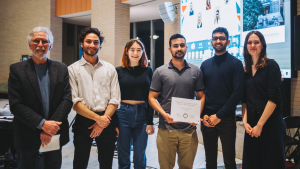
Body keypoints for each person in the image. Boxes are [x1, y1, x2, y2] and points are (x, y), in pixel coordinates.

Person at [8, 27, 73, 169]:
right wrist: (42, 124)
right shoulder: (17, 70)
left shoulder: (61, 68)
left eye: (44, 41)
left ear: (50, 45)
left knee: (52, 165)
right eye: (36, 41)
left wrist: (50, 128)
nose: (40, 45)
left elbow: (67, 99)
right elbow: (16, 104)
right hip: (27, 132)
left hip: (54, 133)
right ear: (29, 45)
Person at [149, 33, 205, 169]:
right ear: (170, 49)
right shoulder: (160, 72)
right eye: (175, 46)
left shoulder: (196, 71)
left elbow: (201, 96)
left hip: (189, 131)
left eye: (181, 45)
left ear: (186, 47)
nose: (179, 48)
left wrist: (196, 115)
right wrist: (163, 114)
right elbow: (151, 97)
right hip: (166, 130)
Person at [68, 27, 120, 169]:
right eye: (88, 41)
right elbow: (75, 102)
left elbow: (115, 100)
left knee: (106, 163)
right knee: (80, 162)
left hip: (107, 119)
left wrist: (102, 120)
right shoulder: (72, 69)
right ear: (81, 44)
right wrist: (98, 120)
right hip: (84, 120)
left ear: (99, 44)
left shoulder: (110, 69)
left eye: (96, 42)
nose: (92, 45)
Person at [200, 27, 244, 169]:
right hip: (207, 118)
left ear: (228, 41)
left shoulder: (236, 64)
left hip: (226, 119)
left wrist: (219, 115)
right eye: (215, 38)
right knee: (210, 160)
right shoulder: (205, 65)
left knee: (229, 161)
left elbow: (237, 93)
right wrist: (203, 115)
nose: (218, 40)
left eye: (222, 38)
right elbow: (201, 93)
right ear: (211, 42)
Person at [242, 31, 286, 169]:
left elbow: (274, 98)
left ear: (262, 45)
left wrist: (260, 125)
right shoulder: (246, 71)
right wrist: (244, 122)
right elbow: (244, 99)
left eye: (256, 42)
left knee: (271, 163)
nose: (253, 45)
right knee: (251, 163)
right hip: (251, 126)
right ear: (246, 46)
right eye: (249, 42)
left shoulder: (271, 66)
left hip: (270, 124)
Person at [116, 39, 155, 169]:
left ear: (143, 52)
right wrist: (114, 123)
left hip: (143, 114)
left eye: (139, 50)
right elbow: (114, 97)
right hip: (122, 114)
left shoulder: (148, 71)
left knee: (140, 155)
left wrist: (150, 121)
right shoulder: (118, 71)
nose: (135, 53)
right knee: (123, 153)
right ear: (127, 52)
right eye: (132, 49)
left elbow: (151, 98)